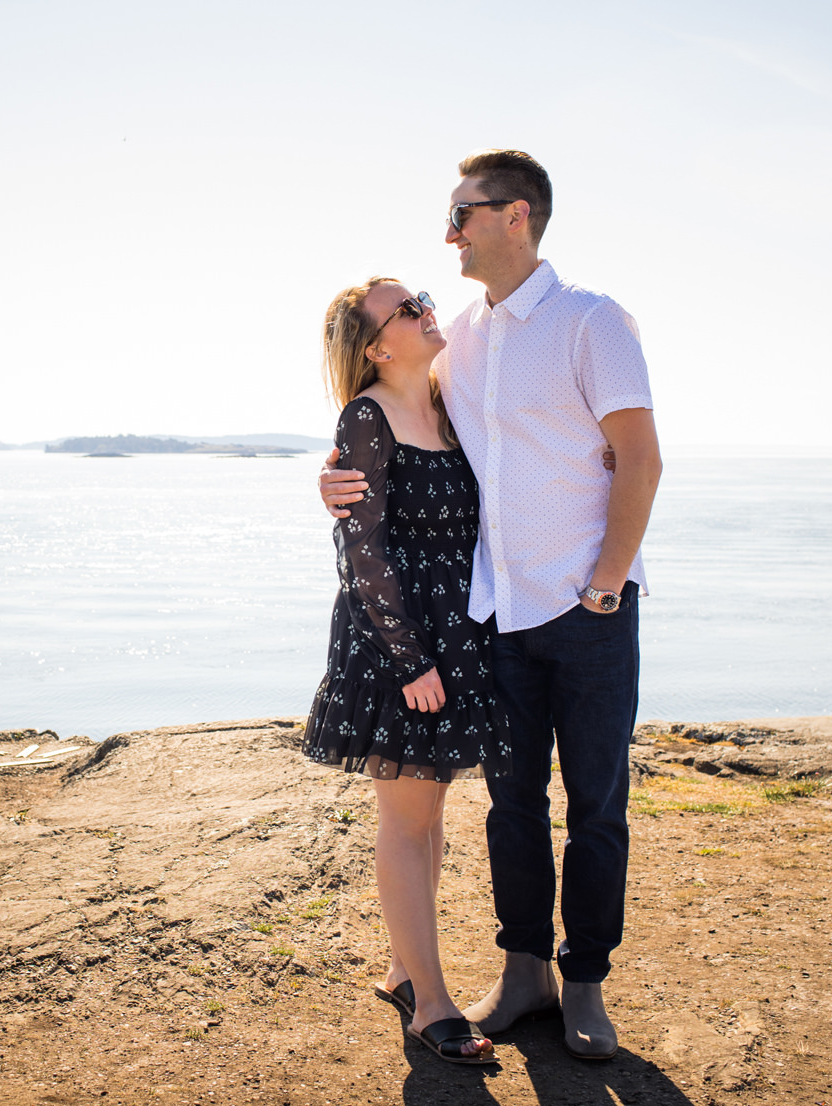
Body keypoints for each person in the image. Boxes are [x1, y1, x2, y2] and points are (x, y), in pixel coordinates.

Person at [319, 149, 662, 1061]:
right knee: (511, 807)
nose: (449, 235)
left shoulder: (592, 321)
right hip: (495, 618)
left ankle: (584, 980)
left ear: (516, 216)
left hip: (587, 611)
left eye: (462, 215)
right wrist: (338, 484)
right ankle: (522, 973)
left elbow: (641, 459)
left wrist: (605, 584)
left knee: (595, 804)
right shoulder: (460, 340)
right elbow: (386, 434)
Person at [305, 276, 512, 1065]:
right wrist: (412, 661)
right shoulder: (366, 416)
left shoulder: (451, 404)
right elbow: (362, 550)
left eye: (424, 298)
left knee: (430, 819)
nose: (429, 313)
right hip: (401, 645)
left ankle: (404, 968)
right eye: (409, 310)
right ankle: (431, 1002)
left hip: (460, 635)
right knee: (407, 820)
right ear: (376, 346)